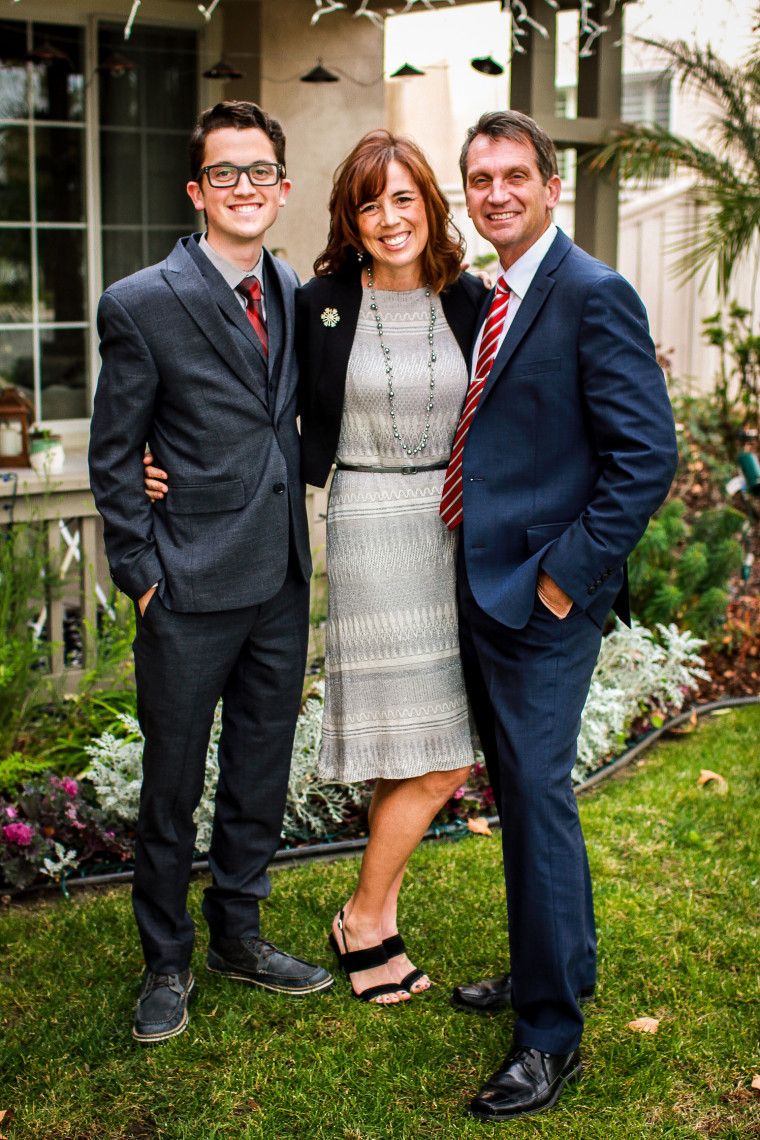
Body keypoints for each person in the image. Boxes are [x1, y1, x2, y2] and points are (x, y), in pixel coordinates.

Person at [146, 130, 488, 1004]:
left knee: (442, 747)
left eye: (404, 197)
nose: (389, 217)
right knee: (404, 741)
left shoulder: (472, 299)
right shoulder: (319, 299)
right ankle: (368, 920)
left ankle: (369, 911)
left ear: (430, 205)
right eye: (370, 203)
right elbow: (255, 403)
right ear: (350, 217)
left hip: (451, 529)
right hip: (368, 526)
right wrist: (164, 467)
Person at [444, 110, 679, 1120]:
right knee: (523, 798)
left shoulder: (590, 292)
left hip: (540, 599)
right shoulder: (493, 295)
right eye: (478, 179)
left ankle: (547, 1037)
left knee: (536, 802)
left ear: (549, 185)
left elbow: (645, 457)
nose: (494, 192)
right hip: (480, 583)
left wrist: (559, 580)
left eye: (511, 176)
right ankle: (558, 967)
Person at [88, 100, 333, 1046]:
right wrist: (144, 572)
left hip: (279, 577)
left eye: (259, 171)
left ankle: (240, 931)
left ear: (281, 186)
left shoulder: (297, 291)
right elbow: (117, 457)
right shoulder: (141, 301)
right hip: (186, 585)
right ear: (198, 190)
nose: (243, 188)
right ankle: (166, 957)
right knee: (172, 784)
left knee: (260, 774)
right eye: (223, 173)